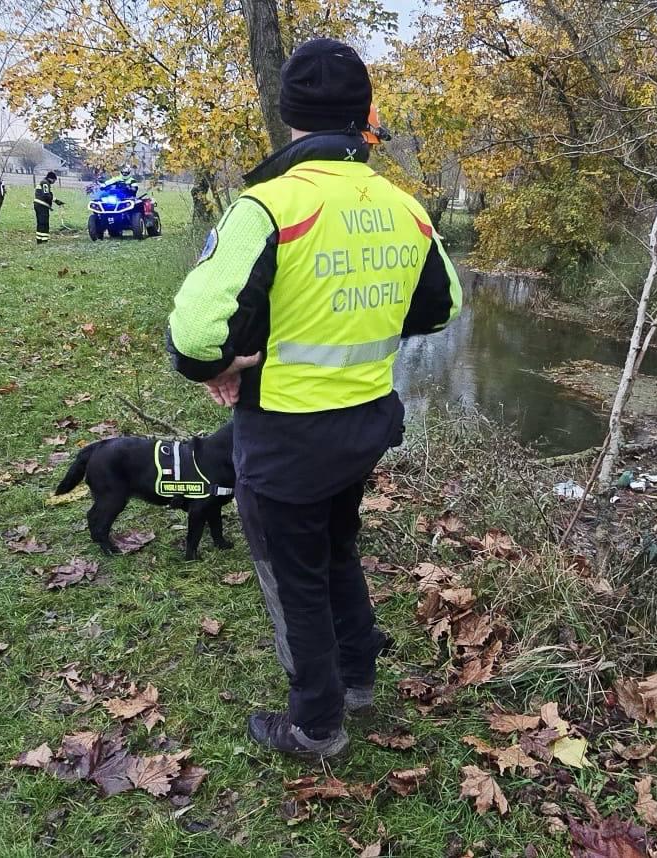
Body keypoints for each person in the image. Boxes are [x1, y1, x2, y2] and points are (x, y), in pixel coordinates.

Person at [166, 38, 462, 761]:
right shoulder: (404, 207)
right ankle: (358, 680)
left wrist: (232, 358)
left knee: (292, 578)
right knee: (336, 551)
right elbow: (441, 307)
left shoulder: (267, 206)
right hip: (364, 427)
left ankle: (316, 725)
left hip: (285, 440)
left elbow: (193, 338)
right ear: (364, 118)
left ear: (288, 114)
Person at [33, 171, 63, 244]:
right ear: (51, 178)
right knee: (44, 223)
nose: (54, 182)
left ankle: (39, 240)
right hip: (42, 206)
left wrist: (56, 200)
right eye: (54, 180)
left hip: (38, 205)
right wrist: (56, 201)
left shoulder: (43, 182)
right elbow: (46, 195)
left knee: (40, 223)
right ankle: (44, 240)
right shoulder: (45, 183)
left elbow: (47, 194)